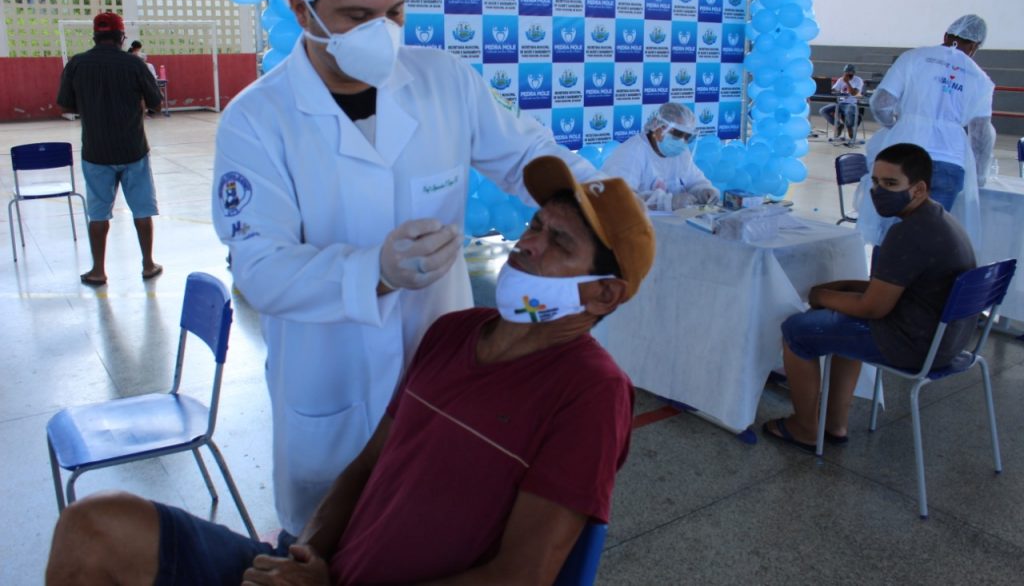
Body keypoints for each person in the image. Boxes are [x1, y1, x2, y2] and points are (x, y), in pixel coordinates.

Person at [46, 155, 655, 585]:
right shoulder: (454, 333)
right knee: (93, 526)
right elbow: (366, 467)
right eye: (535, 225)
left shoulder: (592, 392)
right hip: (326, 570)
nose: (527, 244)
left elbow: (521, 577)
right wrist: (306, 554)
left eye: (559, 243)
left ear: (604, 294)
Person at [211, 0, 601, 537]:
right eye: (356, 16)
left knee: (436, 528)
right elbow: (260, 271)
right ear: (300, 9)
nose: (382, 32)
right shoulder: (257, 121)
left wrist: (599, 205)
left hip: (438, 362)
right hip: (331, 379)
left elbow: (528, 155)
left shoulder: (444, 81)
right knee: (327, 540)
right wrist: (376, 272)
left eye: (394, 13)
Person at [763, 143, 976, 451]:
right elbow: (886, 287)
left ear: (918, 189)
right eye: (875, 182)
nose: (879, 191)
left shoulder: (908, 234)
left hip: (915, 345)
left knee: (797, 331)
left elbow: (873, 307)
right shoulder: (939, 218)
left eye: (890, 184)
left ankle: (805, 428)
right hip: (947, 341)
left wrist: (821, 296)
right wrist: (838, 291)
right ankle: (834, 423)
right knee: (841, 319)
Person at [857, 14, 996, 249]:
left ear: (946, 35)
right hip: (950, 161)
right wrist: (980, 175)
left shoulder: (913, 58)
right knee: (928, 237)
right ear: (975, 46)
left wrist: (896, 126)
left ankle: (884, 272)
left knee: (892, 234)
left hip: (906, 155)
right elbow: (981, 135)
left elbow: (880, 103)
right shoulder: (981, 79)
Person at [57, 11, 165, 286]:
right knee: (142, 210)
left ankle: (98, 270)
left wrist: (90, 106)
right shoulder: (135, 64)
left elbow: (65, 104)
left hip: (96, 151)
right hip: (133, 149)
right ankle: (148, 264)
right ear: (121, 37)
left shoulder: (77, 64)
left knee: (98, 213)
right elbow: (156, 103)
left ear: (94, 36)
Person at [602, 101, 719, 211]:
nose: (682, 141)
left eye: (687, 137)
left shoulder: (681, 153)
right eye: (677, 133)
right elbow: (618, 198)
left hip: (672, 222)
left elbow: (694, 180)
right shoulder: (632, 152)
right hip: (638, 222)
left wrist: (704, 191)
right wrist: (667, 202)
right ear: (657, 127)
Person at [820, 64, 863, 145]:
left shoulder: (858, 80)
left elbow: (854, 93)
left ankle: (849, 126)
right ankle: (839, 125)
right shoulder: (841, 79)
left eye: (849, 72)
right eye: (846, 72)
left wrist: (847, 82)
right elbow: (834, 89)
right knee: (823, 110)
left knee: (849, 111)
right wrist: (833, 90)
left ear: (853, 73)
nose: (847, 74)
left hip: (851, 103)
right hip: (840, 103)